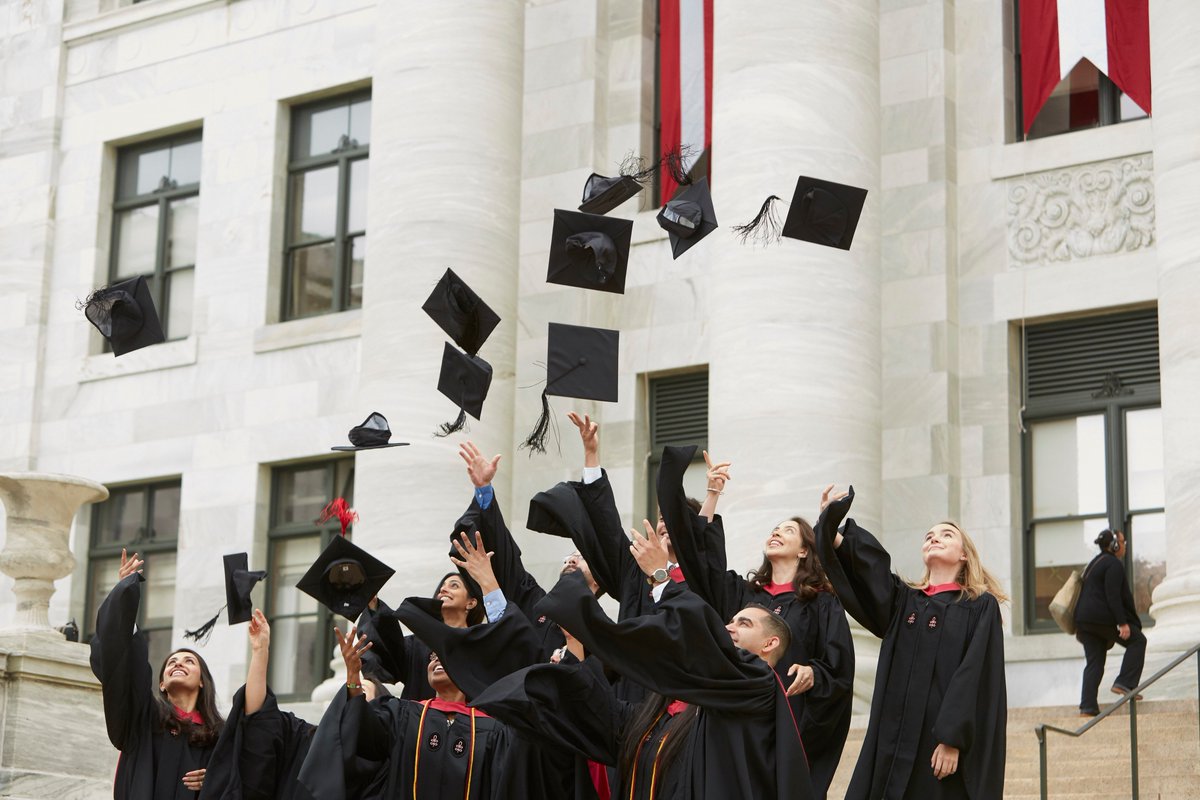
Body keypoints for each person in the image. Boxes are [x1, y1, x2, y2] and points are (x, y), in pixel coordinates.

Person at [470, 570, 815, 800]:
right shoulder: (670, 703)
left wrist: (664, 578)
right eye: (729, 620)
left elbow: (710, 650)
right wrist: (571, 666)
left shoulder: (759, 688)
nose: (729, 627)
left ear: (769, 644)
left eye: (743, 623)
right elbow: (610, 720)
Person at [657, 445, 854, 799]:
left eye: (788, 530)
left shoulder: (822, 603)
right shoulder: (744, 595)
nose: (776, 532)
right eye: (774, 528)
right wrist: (713, 494)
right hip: (737, 720)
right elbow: (706, 565)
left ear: (805, 549)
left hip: (790, 720)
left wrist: (815, 674)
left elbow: (839, 669)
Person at [814, 487, 1007, 800]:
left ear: (963, 554)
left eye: (946, 535)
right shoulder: (904, 602)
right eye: (929, 536)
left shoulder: (978, 606)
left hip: (938, 741)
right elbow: (869, 573)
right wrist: (832, 527)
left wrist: (951, 738)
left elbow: (974, 675)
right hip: (893, 735)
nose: (934, 538)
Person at [297, 624, 509, 800]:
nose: (435, 660)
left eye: (444, 656)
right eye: (433, 656)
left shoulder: (493, 732)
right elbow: (361, 734)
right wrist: (353, 677)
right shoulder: (402, 715)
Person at [90, 548, 223, 799]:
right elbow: (123, 670)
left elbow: (247, 776)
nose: (178, 663)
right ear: (161, 684)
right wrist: (124, 602)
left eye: (189, 661)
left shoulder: (219, 735)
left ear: (203, 681)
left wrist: (217, 776)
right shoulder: (143, 717)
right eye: (171, 662)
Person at [453, 440, 603, 659]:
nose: (571, 560)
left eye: (580, 558)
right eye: (569, 557)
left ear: (599, 581)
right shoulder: (534, 602)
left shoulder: (599, 631)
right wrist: (484, 490)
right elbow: (506, 562)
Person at [358, 569, 484, 701]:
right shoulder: (417, 643)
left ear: (471, 602)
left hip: (469, 718)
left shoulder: (480, 643)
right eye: (442, 586)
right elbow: (387, 655)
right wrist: (374, 605)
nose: (443, 590)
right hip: (419, 717)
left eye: (454, 585)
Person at [1074, 529, 1146, 716]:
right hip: (1101, 619)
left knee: (1095, 661)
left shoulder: (1094, 563)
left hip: (1084, 621)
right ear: (1114, 545)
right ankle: (1125, 682)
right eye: (1123, 542)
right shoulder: (1113, 564)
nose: (1125, 545)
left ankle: (1087, 706)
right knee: (1138, 641)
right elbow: (1113, 596)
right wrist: (1122, 623)